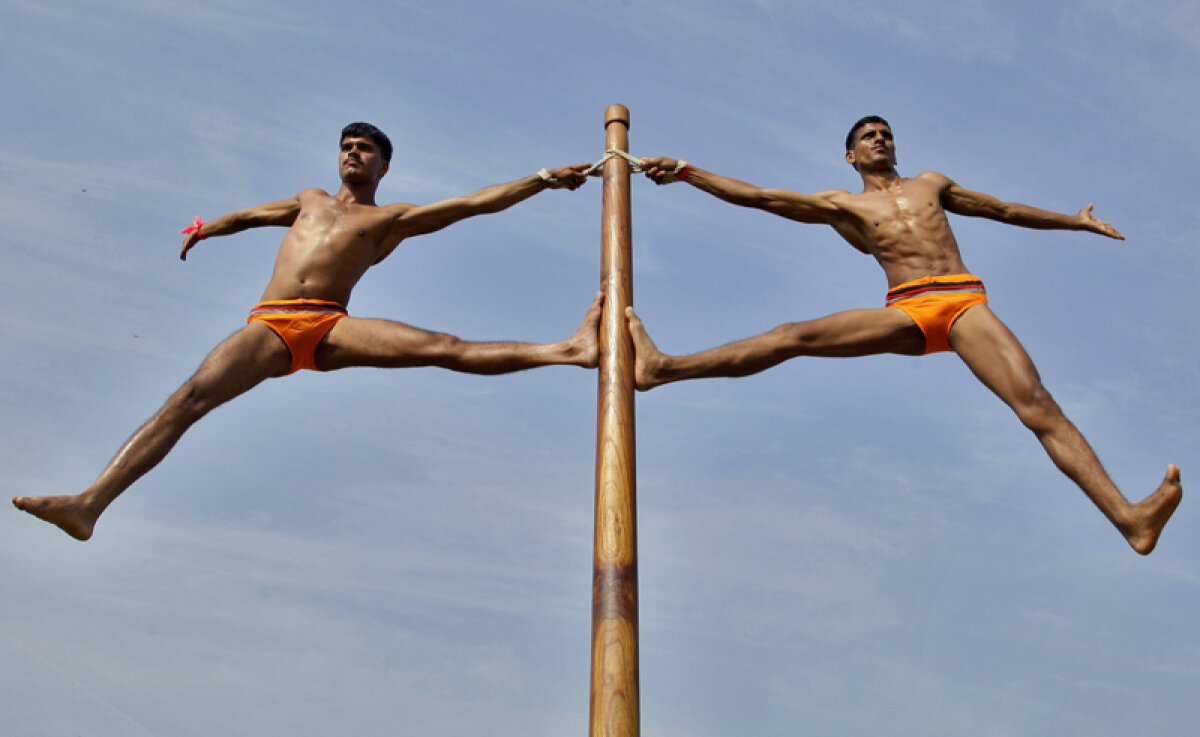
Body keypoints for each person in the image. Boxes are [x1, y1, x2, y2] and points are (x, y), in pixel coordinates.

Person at [13, 122, 602, 541]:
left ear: (383, 164)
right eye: (346, 146)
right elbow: (250, 216)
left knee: (443, 348)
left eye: (364, 148)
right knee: (188, 400)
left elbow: (473, 204)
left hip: (329, 325)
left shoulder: (387, 220)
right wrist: (207, 229)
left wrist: (544, 178)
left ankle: (569, 349)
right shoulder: (309, 199)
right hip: (269, 325)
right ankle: (89, 504)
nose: (352, 153)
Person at [629, 115, 1180, 554]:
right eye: (868, 136)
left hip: (964, 302)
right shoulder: (842, 203)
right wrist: (683, 170)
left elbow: (1004, 209)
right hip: (908, 308)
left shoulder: (930, 185)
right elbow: (759, 196)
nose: (880, 139)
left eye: (886, 133)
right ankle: (662, 368)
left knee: (1038, 407)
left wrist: (1073, 220)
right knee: (792, 335)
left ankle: (1130, 519)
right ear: (851, 155)